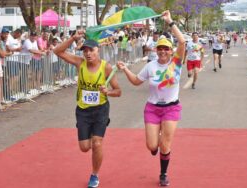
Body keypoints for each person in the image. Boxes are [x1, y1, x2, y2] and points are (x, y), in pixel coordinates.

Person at [117, 10, 185, 187]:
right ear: (156, 49)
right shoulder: (150, 66)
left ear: (171, 51)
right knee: (151, 146)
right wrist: (125, 69)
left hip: (171, 108)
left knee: (165, 143)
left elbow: (183, 41)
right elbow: (136, 82)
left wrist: (170, 21)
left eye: (166, 48)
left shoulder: (177, 63)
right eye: (160, 48)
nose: (163, 51)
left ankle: (163, 174)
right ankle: (156, 146)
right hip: (153, 109)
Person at [53, 30, 121, 188]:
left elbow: (118, 91)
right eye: (85, 50)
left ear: (98, 50)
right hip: (83, 110)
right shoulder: (79, 63)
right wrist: (73, 38)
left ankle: (94, 175)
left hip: (100, 110)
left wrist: (108, 92)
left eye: (91, 50)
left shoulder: (106, 68)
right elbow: (57, 51)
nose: (88, 53)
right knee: (84, 148)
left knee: (97, 144)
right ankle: (93, 138)